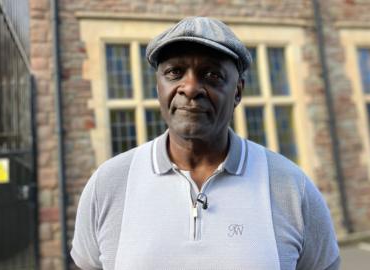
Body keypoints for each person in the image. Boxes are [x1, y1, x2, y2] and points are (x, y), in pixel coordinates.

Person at [71, 16, 340, 270]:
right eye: (174, 72)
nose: (190, 87)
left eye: (211, 75)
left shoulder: (291, 187)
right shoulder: (108, 184)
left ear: (238, 91)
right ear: (158, 88)